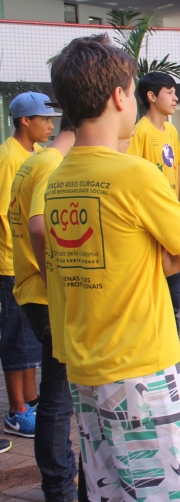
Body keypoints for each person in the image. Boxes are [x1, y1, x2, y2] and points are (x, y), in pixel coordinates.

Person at [48, 34, 180, 502]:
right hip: (143, 366)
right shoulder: (134, 174)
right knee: (169, 496)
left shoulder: (57, 177)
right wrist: (153, 257)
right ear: (119, 96)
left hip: (85, 365)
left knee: (112, 494)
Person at [9, 106, 78, 502]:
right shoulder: (51, 163)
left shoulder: (36, 160)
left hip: (33, 291)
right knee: (57, 399)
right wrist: (55, 281)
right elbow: (38, 225)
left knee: (57, 395)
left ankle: (62, 480)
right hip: (44, 296)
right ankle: (59, 486)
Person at [128, 71, 180, 385]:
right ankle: (153, 365)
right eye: (169, 92)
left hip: (172, 224)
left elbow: (177, 171)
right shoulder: (139, 132)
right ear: (151, 96)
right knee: (152, 300)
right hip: (150, 228)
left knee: (173, 300)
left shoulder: (172, 131)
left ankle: (176, 365)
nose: (175, 98)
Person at [0, 92, 52, 438]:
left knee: (31, 339)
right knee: (17, 338)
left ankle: (31, 400)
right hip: (11, 262)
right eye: (43, 119)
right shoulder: (8, 158)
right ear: (24, 120)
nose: (49, 125)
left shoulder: (36, 155)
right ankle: (17, 410)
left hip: (29, 261)